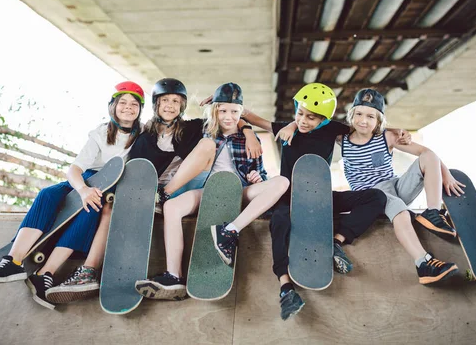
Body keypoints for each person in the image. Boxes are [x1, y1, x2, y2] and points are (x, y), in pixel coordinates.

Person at [45, 79, 261, 303]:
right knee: (112, 206)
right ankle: (89, 271)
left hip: (188, 187)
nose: (170, 105)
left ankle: (164, 195)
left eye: (176, 101)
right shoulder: (143, 137)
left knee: (207, 145)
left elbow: (230, 117)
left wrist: (247, 130)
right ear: (156, 104)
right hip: (155, 193)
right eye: (165, 100)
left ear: (182, 106)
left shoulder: (193, 128)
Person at [229, 83, 398, 320]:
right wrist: (254, 127)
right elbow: (246, 116)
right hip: (289, 197)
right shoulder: (288, 129)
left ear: (325, 120)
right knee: (279, 221)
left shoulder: (334, 130)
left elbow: (365, 125)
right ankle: (285, 286)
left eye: (311, 118)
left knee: (376, 197)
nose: (304, 121)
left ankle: (337, 242)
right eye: (300, 114)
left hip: (321, 198)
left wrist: (397, 131)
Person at [0, 81, 145, 310]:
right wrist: (83, 189)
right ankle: (13, 261)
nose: (128, 107)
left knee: (92, 207)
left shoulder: (145, 133)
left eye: (134, 104)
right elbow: (74, 170)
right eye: (123, 103)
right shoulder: (100, 133)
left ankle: (45, 273)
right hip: (86, 179)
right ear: (113, 107)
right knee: (48, 193)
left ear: (140, 109)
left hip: (112, 184)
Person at [135, 83, 288, 300]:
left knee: (281, 182)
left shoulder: (249, 139)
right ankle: (173, 277)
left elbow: (260, 171)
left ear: (241, 112)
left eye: (234, 112)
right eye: (222, 110)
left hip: (239, 190)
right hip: (207, 191)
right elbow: (176, 126)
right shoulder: (203, 131)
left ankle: (230, 231)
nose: (228, 117)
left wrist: (257, 176)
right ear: (215, 110)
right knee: (171, 207)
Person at [340, 88, 463, 285]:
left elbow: (426, 152)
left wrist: (446, 174)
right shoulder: (343, 140)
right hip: (372, 196)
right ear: (351, 115)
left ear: (379, 121)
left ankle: (433, 213)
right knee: (402, 212)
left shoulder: (387, 137)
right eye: (359, 114)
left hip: (396, 186)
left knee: (428, 156)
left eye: (371, 116)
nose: (363, 120)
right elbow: (318, 128)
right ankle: (424, 264)